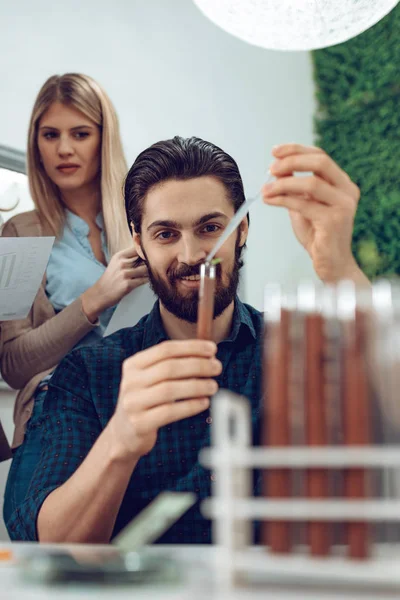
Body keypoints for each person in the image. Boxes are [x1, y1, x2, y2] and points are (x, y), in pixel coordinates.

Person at [5, 136, 368, 543]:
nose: (193, 254)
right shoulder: (88, 373)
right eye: (165, 234)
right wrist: (120, 442)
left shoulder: (300, 350)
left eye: (211, 228)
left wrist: (341, 269)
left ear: (242, 228)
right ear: (138, 242)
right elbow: (41, 541)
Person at [1, 73, 148, 524]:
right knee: (36, 537)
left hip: (143, 402)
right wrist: (93, 300)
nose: (64, 149)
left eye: (80, 133)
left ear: (103, 139)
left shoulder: (148, 218)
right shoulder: (19, 235)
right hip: (57, 406)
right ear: (36, 143)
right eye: (51, 135)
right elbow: (12, 363)